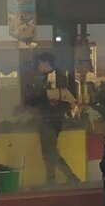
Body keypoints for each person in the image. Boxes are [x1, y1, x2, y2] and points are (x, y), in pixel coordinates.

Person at [24, 53, 80, 187]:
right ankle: (53, 179)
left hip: (50, 119)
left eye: (39, 63)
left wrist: (31, 98)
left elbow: (45, 97)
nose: (38, 66)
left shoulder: (53, 78)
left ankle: (68, 177)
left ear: (46, 63)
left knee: (50, 152)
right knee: (48, 152)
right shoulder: (53, 77)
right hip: (51, 119)